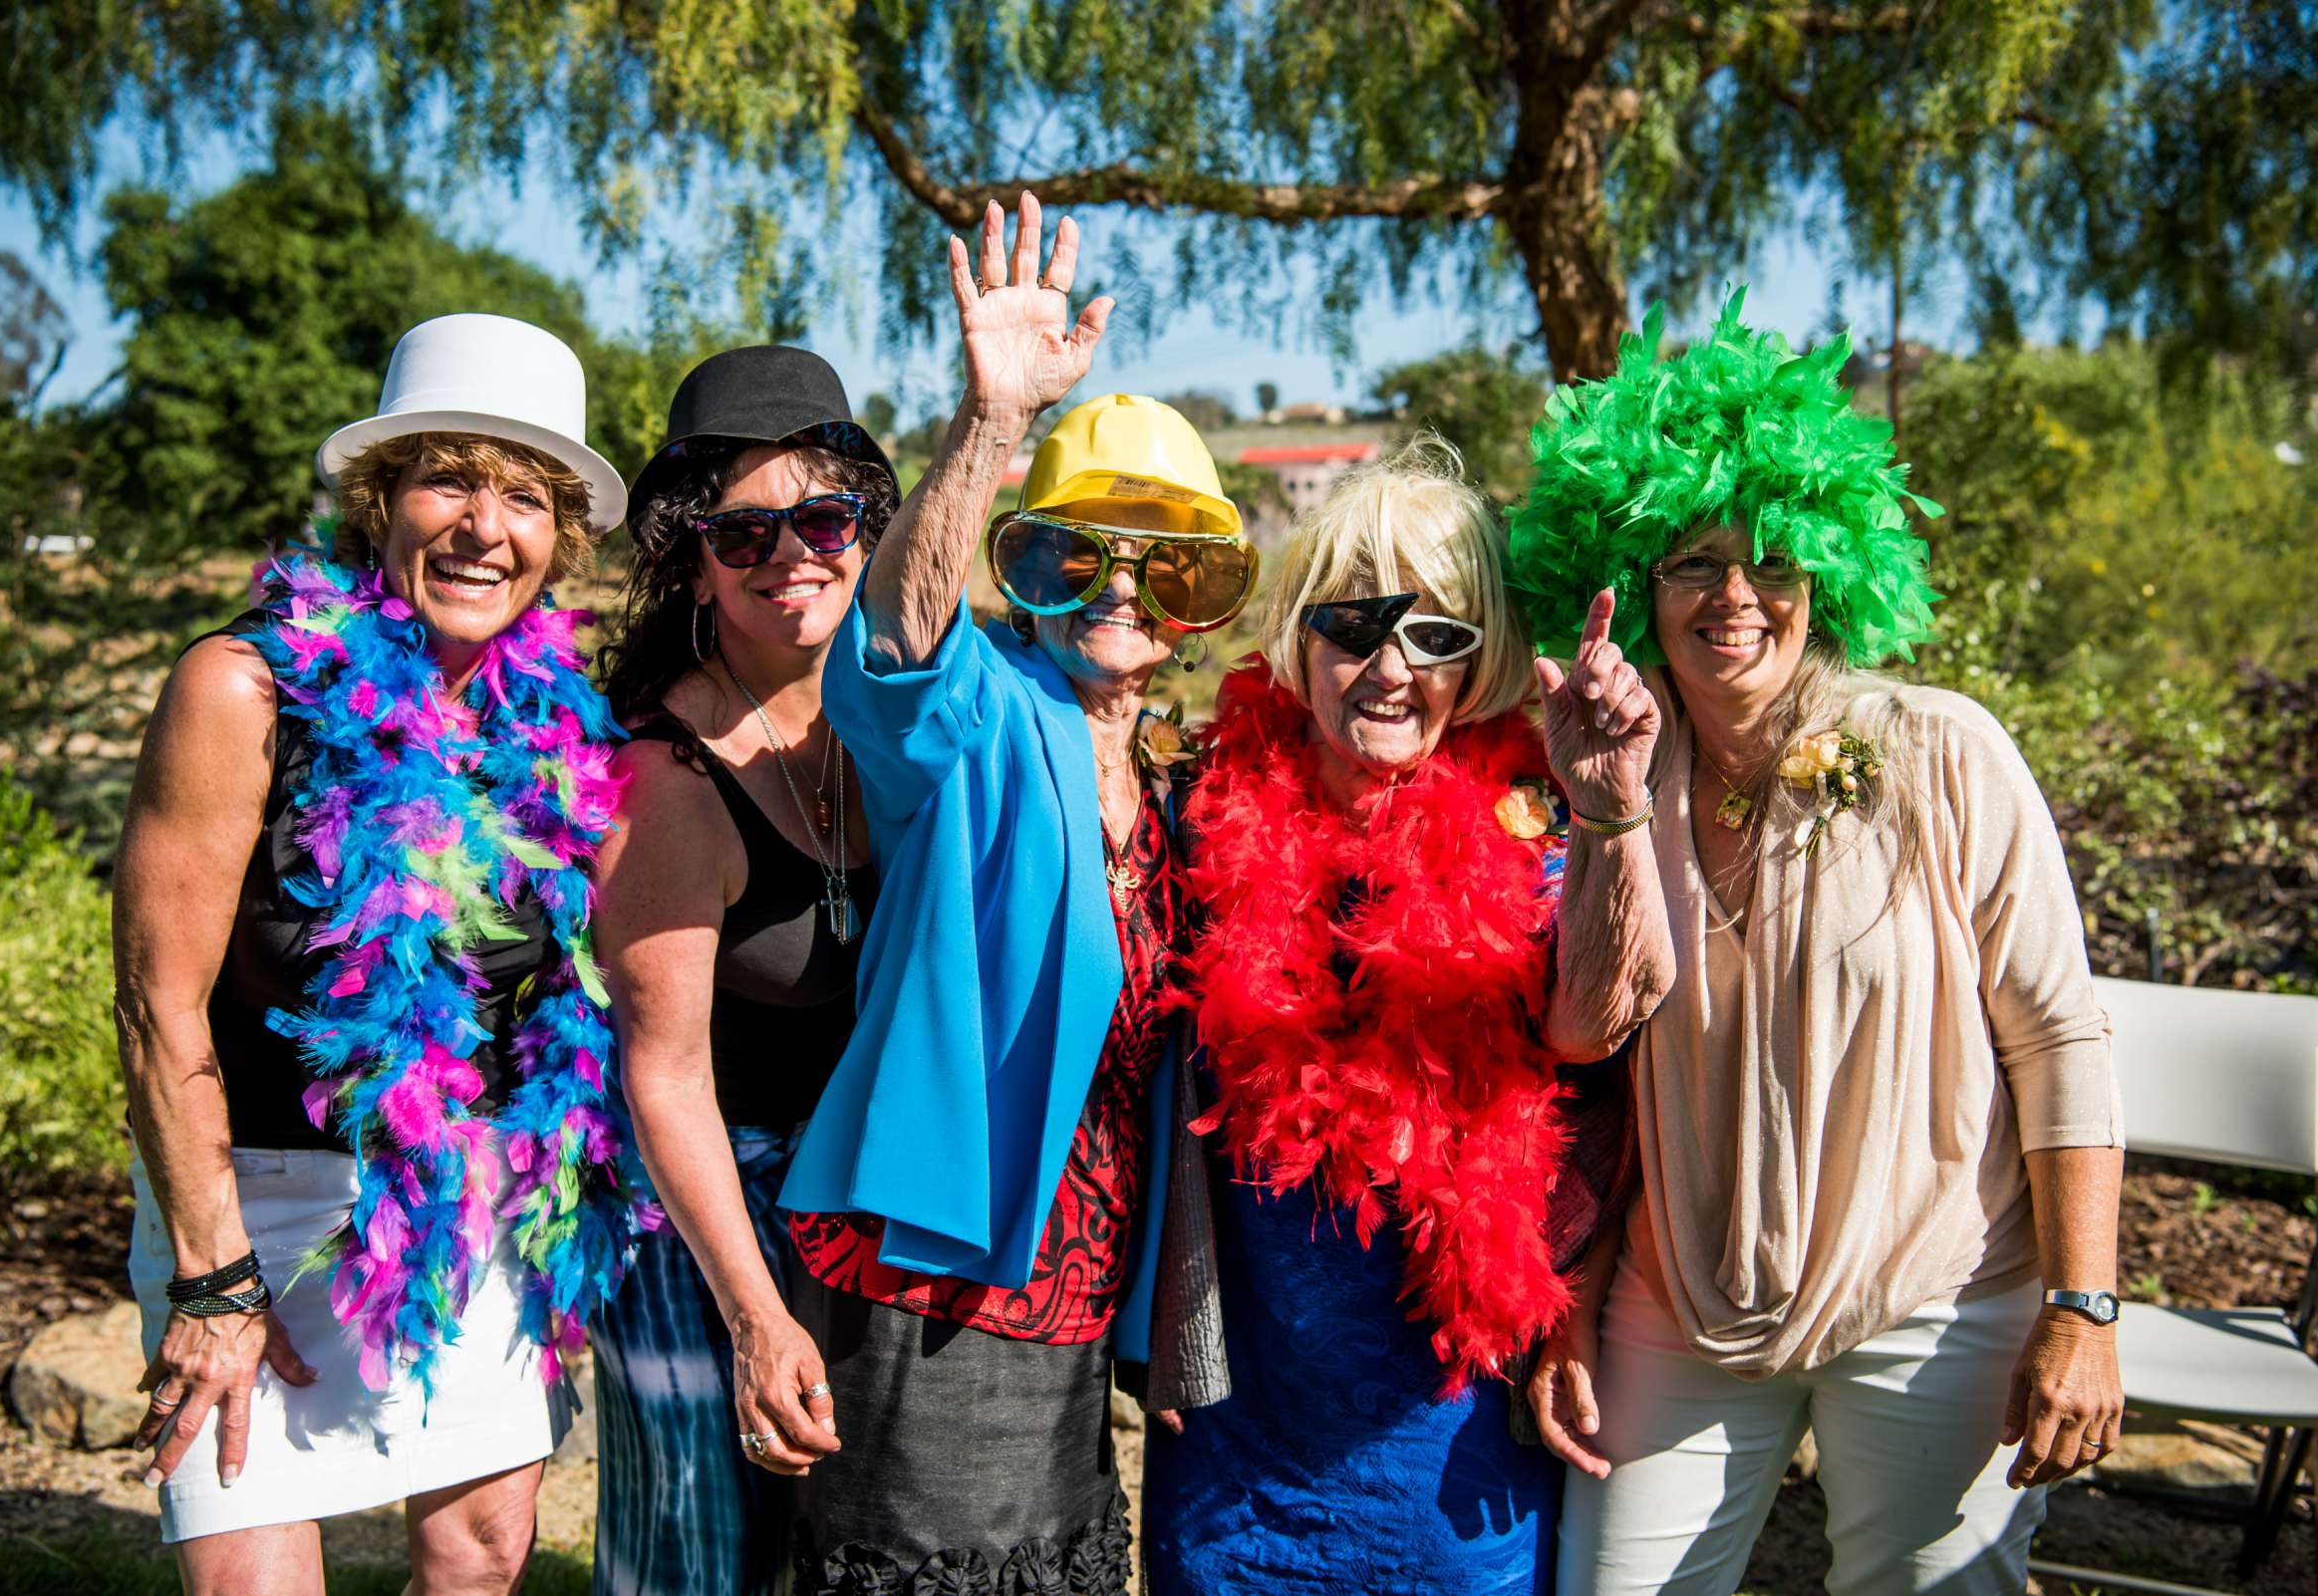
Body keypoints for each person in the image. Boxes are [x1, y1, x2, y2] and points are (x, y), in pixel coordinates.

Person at [1510, 293, 2125, 1596]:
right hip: (1680, 1307)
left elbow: (2060, 1037)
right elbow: (1586, 1042)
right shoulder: (1616, 762)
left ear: (1823, 573)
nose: (1734, 595)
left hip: (1935, 1300)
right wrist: (1614, 813)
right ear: (1630, 580)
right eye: (1691, 560)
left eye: (1772, 557)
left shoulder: (1939, 750)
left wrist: (2084, 1307)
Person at [112, 312, 657, 1593]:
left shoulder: (554, 729)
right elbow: (154, 1006)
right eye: (448, 479)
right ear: (380, 498)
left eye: (526, 495)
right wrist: (210, 1277)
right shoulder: (242, 691)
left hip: (463, 1203)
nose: (485, 526)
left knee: (483, 1553)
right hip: (249, 1201)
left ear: (559, 538)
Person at [772, 194, 1258, 1594]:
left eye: (1166, 563)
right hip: (932, 1262)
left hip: (1078, 1279)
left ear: (1198, 600)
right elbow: (897, 641)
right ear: (1026, 574)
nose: (1119, 586)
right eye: (1074, 551)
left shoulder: (1170, 786)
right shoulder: (985, 714)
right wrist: (990, 424)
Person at [1137, 435, 1673, 1594]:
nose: (1391, 667)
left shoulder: (1533, 835)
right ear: (1300, 636)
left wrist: (1612, 808)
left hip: (1447, 1455)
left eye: (1437, 636)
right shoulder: (1200, 819)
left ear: (1476, 664)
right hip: (1233, 1443)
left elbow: (1595, 1023)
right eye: (1356, 624)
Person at [585, 347, 898, 1596]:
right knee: (696, 1549)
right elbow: (661, 1080)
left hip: (841, 1187)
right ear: (690, 553)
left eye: (823, 518)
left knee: (828, 1540)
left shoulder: (884, 715)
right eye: (743, 530)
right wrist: (755, 1315)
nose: (792, 555)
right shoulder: (664, 777)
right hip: (686, 1200)